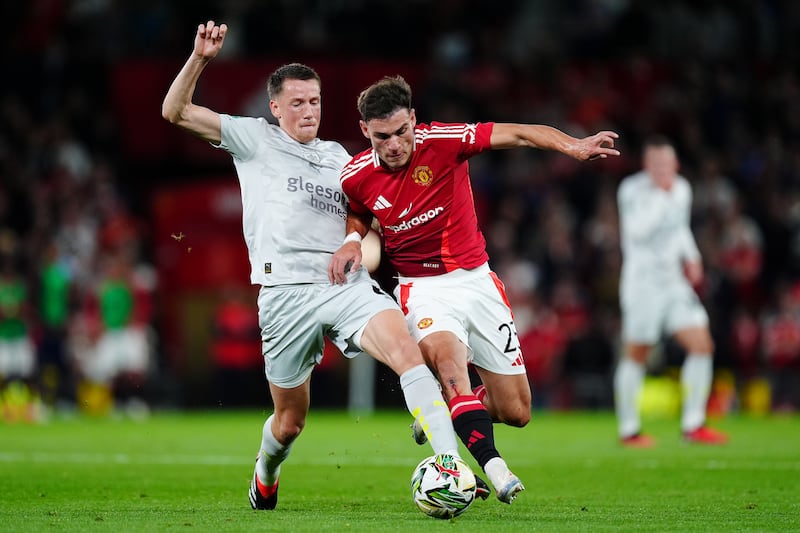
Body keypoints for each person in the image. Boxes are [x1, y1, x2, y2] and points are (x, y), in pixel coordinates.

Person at [162, 22, 466, 511]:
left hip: (344, 287)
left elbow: (366, 225)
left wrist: (362, 249)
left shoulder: (340, 158)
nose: (309, 111)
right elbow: (173, 112)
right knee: (289, 423)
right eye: (298, 103)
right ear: (276, 107)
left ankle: (451, 467)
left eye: (316, 101)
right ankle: (266, 471)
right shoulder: (252, 138)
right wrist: (199, 59)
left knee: (407, 353)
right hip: (284, 295)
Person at [328, 75, 620, 503]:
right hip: (422, 290)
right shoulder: (355, 175)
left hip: (477, 282)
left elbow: (520, 132)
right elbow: (358, 209)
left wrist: (571, 145)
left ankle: (447, 409)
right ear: (364, 131)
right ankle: (494, 469)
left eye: (401, 132)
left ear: (413, 119)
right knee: (450, 369)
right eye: (381, 137)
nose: (393, 145)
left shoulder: (445, 140)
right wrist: (353, 238)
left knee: (516, 411)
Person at [614, 136, 728, 447]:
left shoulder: (682, 188)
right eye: (655, 164)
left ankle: (694, 425)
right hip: (642, 283)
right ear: (646, 166)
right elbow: (637, 232)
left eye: (667, 164)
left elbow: (680, 228)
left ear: (676, 164)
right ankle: (629, 430)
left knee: (702, 345)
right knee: (638, 352)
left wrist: (692, 257)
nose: (662, 170)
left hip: (674, 283)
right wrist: (662, 197)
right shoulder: (632, 190)